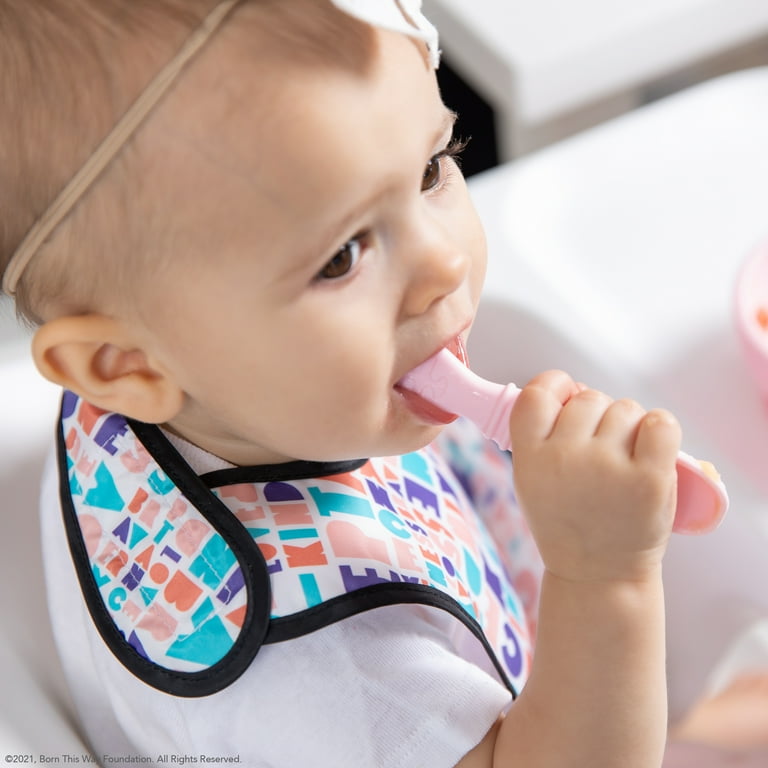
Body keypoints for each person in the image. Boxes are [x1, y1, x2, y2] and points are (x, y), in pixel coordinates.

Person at [0, 0, 745, 765]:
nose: (445, 263)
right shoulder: (333, 665)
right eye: (342, 256)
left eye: (431, 168)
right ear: (126, 366)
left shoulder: (214, 387)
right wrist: (604, 575)